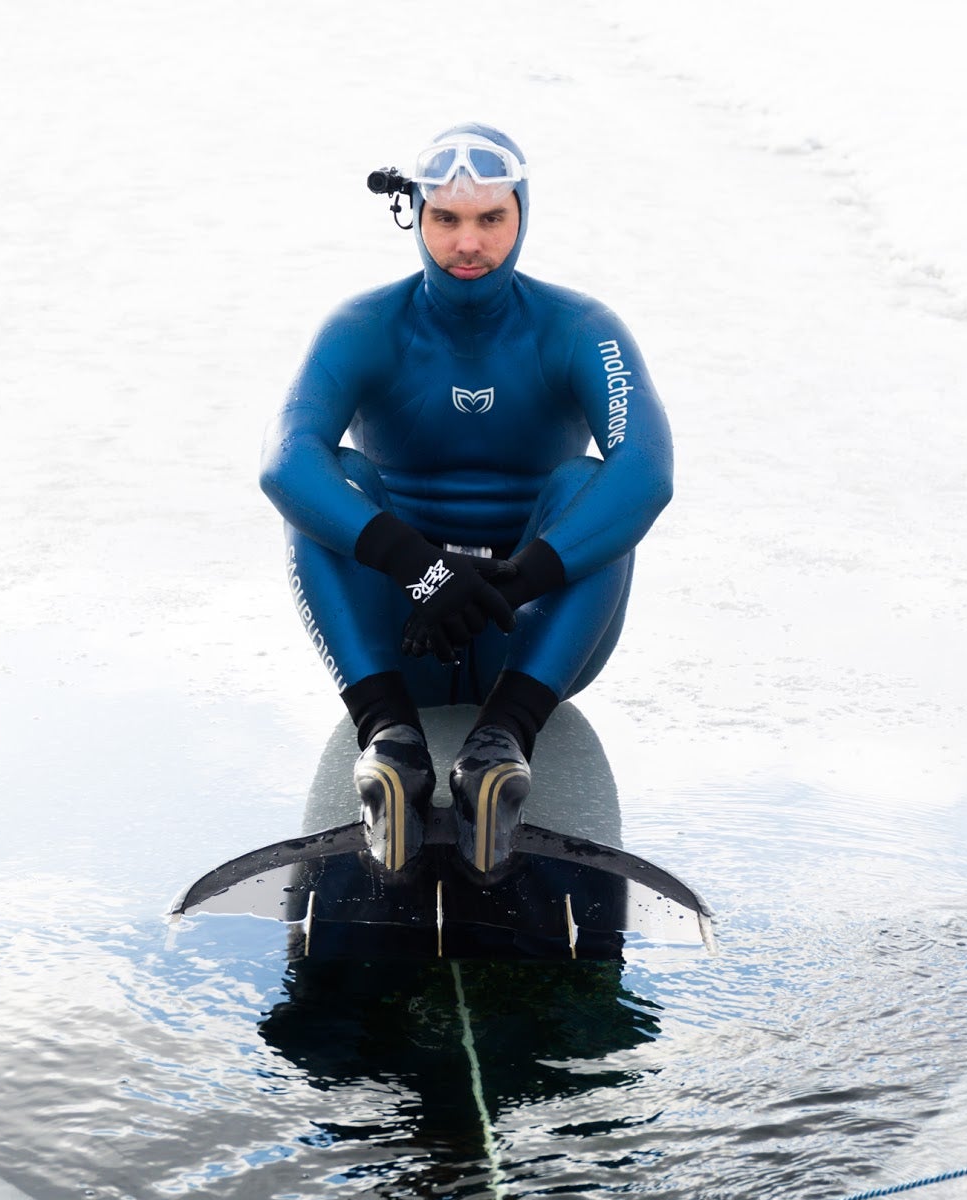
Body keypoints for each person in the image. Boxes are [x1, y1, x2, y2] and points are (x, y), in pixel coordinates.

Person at [259, 123, 673, 879]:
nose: (468, 243)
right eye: (445, 219)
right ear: (413, 217)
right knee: (331, 475)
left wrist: (518, 580)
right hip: (399, 637)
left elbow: (647, 474)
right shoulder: (362, 326)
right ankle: (389, 740)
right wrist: (422, 570)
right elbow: (284, 464)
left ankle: (503, 740)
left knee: (587, 483)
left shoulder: (580, 328)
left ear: (522, 217)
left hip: (537, 639)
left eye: (491, 218)